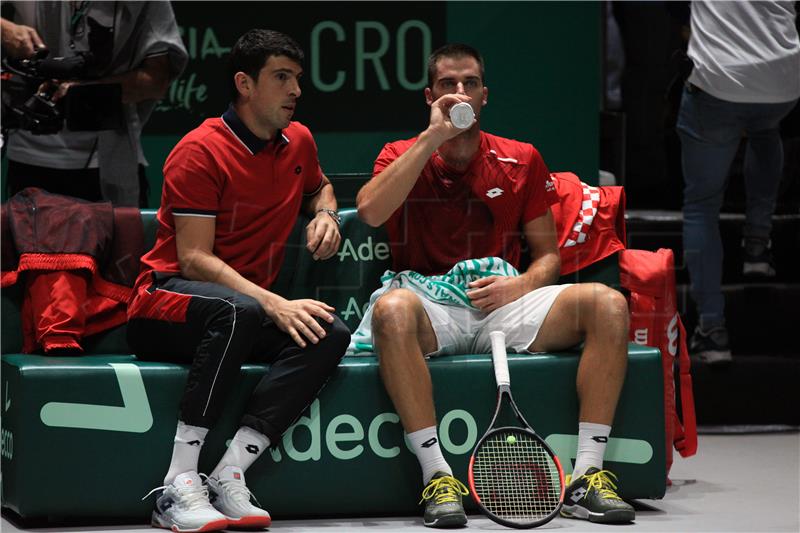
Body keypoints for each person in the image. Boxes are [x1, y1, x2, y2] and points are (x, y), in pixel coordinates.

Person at [356, 43, 635, 527]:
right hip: (430, 306)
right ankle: (437, 477)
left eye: (469, 83)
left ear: (485, 95)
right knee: (391, 310)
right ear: (430, 96)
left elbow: (547, 258)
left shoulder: (521, 159)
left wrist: (521, 285)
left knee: (608, 305)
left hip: (504, 306)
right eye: (447, 84)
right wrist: (431, 138)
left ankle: (588, 475)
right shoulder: (400, 154)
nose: (459, 92)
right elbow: (370, 212)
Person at [127, 29, 350, 532]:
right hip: (163, 303)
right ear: (245, 84)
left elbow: (322, 187)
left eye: (297, 78)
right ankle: (178, 484)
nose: (296, 90)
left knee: (329, 333)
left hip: (240, 314)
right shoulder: (199, 151)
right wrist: (275, 302)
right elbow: (195, 259)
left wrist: (328, 215)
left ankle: (230, 472)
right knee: (239, 310)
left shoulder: (300, 141)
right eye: (282, 78)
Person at [677, 1, 800, 364]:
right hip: (783, 80)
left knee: (701, 207)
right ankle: (757, 247)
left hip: (719, 81)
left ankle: (712, 330)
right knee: (765, 129)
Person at [1, 2, 187, 207]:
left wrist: (81, 91)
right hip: (30, 156)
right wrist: (4, 29)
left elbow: (156, 80)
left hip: (110, 157)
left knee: (122, 235)